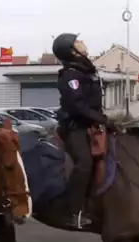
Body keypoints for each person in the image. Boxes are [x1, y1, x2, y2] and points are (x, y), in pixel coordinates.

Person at [52, 33, 108, 230]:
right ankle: (73, 212)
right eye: (78, 42)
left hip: (90, 125)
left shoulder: (86, 71)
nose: (83, 43)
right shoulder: (70, 75)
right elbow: (77, 106)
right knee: (85, 163)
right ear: (72, 52)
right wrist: (101, 119)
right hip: (75, 128)